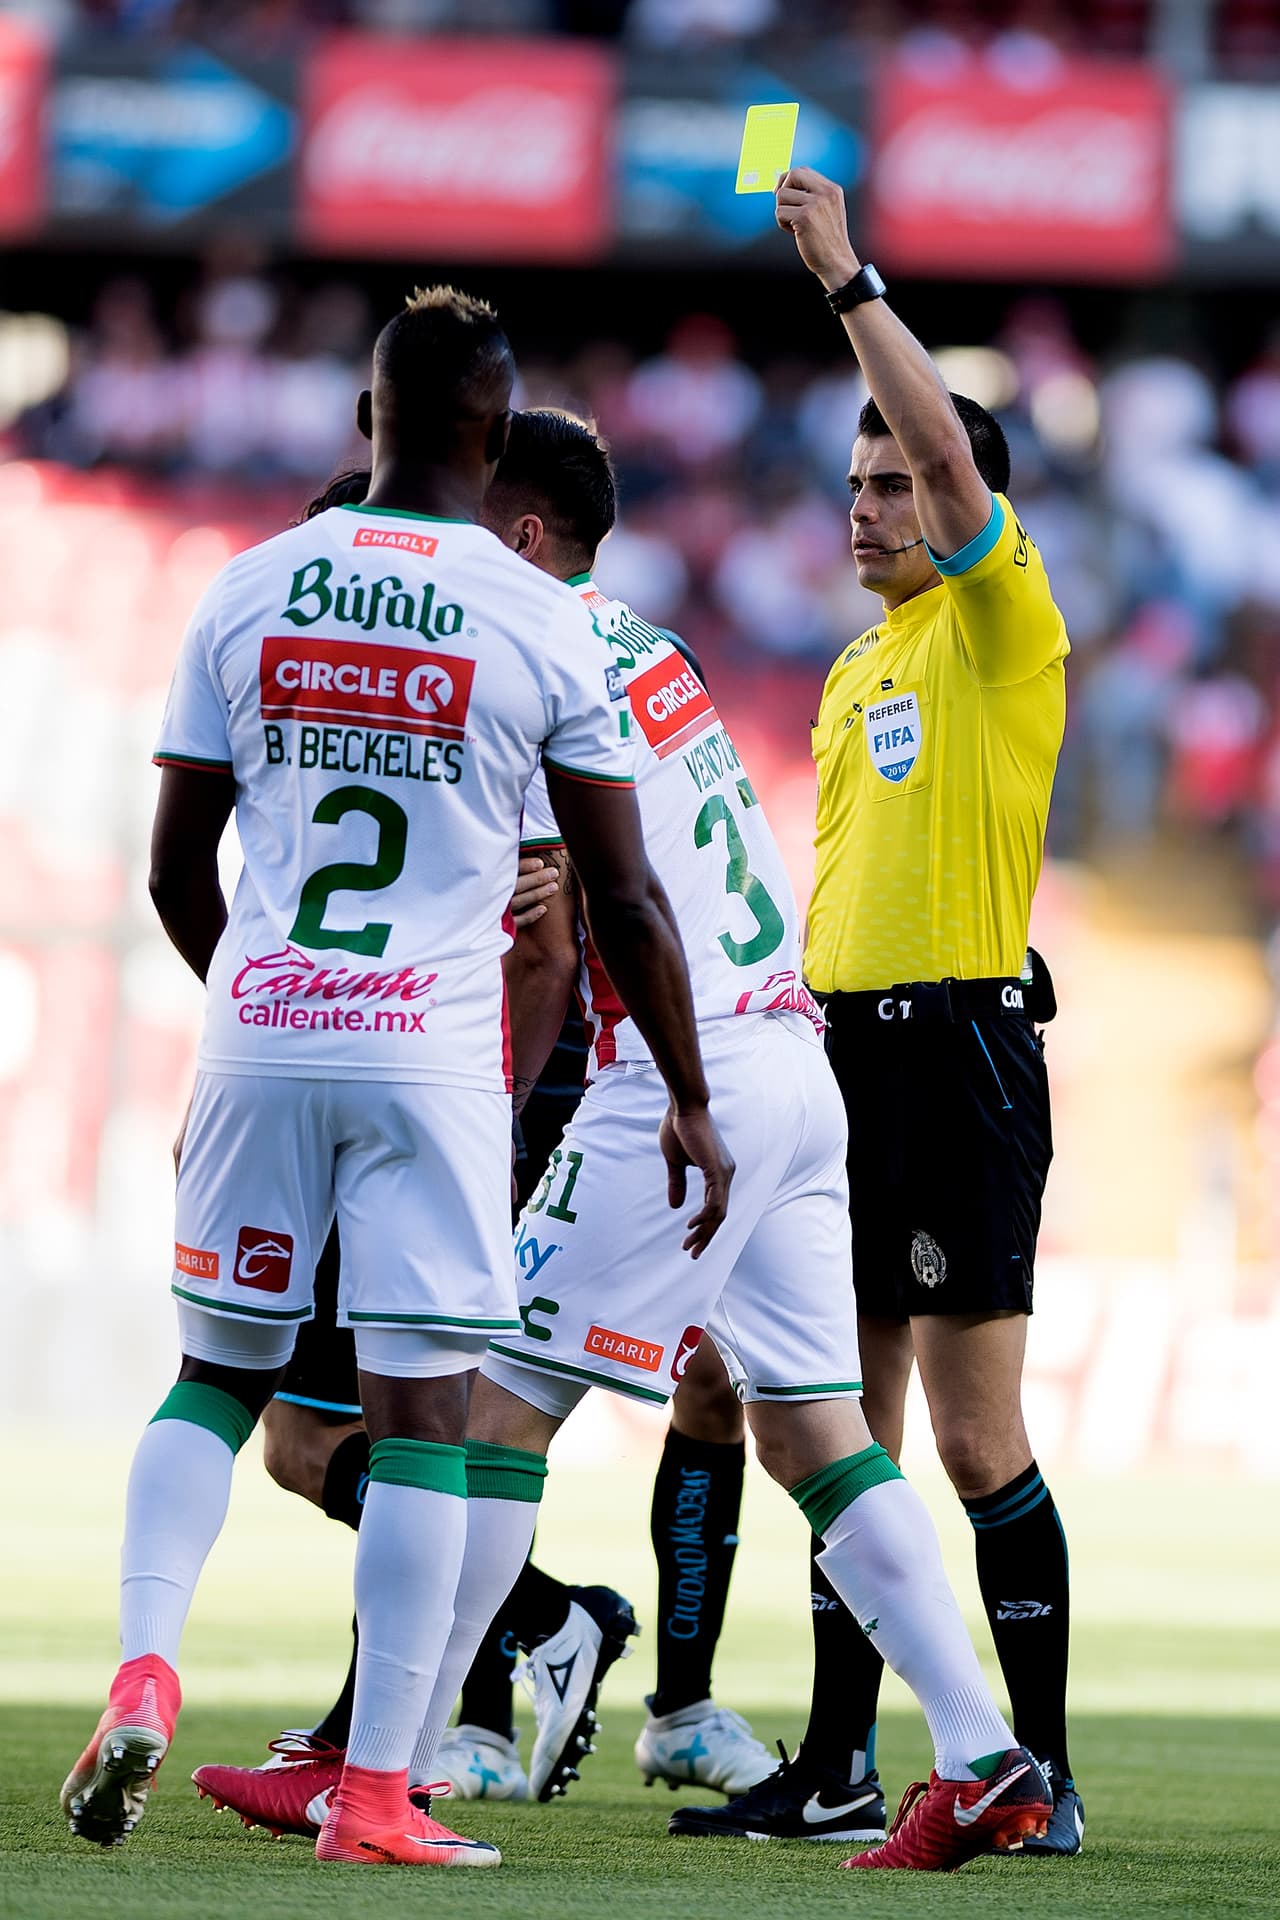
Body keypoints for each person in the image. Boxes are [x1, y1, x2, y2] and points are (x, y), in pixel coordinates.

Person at [59, 288, 734, 1871]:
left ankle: (148, 1664)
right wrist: (689, 1092)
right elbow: (622, 900)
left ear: (364, 421)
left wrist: (254, 999)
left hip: (260, 1028)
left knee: (215, 1379)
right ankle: (372, 1795)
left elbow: (171, 868)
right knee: (428, 1418)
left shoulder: (245, 584)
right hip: (430, 1057)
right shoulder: (538, 618)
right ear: (494, 439)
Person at [394, 408, 1053, 1872]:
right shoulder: (649, 646)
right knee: (818, 1431)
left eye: (451, 520)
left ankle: (397, 1769)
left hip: (679, 1081)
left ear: (517, 536)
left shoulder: (532, 656)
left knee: (496, 1408)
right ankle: (986, 1755)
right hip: (799, 1062)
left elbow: (561, 936)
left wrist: (512, 1114)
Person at [188, 444, 772, 1838]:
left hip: (483, 1074)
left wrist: (478, 1122)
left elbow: (555, 936)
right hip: (581, 1059)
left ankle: (440, 1716)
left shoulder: (493, 641)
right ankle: (476, 1706)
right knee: (372, 1421)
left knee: (438, 1410)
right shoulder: (613, 642)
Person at [718, 167, 1076, 1857]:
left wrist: (850, 281)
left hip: (960, 1058)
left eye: (893, 481)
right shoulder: (860, 668)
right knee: (833, 1426)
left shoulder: (1005, 626)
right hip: (839, 1062)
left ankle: (1040, 1772)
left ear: (962, 501)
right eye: (851, 485)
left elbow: (945, 453)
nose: (865, 505)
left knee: (971, 1428)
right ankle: (848, 1759)